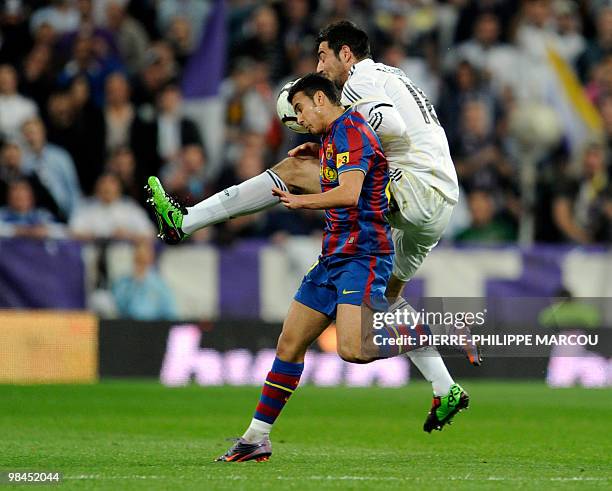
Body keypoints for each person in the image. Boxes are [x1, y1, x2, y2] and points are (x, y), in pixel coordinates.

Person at [147, 22, 478, 432]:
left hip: (414, 186)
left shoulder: (361, 77)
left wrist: (336, 144)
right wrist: (334, 144)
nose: (318, 64)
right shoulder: (392, 75)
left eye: (322, 56)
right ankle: (445, 387)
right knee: (387, 299)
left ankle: (186, 219)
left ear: (346, 55)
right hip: (439, 199)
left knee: (290, 170)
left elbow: (392, 128)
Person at [209, 74, 443, 462]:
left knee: (352, 350)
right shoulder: (333, 137)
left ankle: (424, 335)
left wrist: (301, 202)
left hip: (364, 255)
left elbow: (350, 194)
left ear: (321, 98)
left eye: (299, 109)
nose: (299, 118)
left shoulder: (352, 131)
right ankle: (256, 438)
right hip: (333, 257)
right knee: (290, 343)